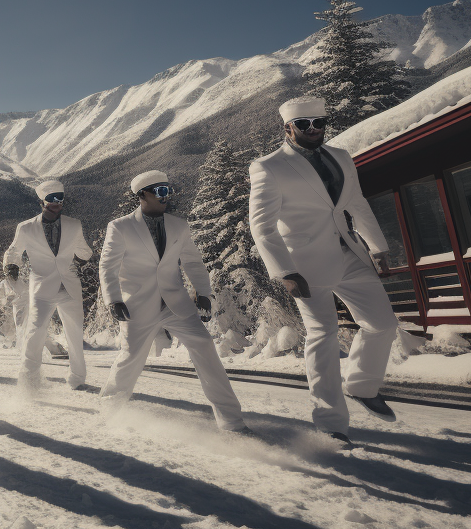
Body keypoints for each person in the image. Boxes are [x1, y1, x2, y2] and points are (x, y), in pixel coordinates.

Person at [249, 97, 398, 447]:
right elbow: (262, 226)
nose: (313, 129)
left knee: (383, 323)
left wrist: (379, 248)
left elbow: (356, 203)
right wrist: (284, 270)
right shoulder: (268, 167)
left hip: (350, 254)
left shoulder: (342, 157)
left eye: (319, 122)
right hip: (305, 265)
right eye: (304, 124)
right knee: (323, 336)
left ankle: (361, 385)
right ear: (288, 128)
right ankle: (331, 422)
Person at [98, 171, 250, 434]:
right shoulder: (120, 227)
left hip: (175, 304)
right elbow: (107, 266)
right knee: (131, 357)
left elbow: (192, 262)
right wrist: (113, 299)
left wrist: (204, 292)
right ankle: (109, 413)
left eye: (168, 190)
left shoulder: (179, 225)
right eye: (160, 191)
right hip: (137, 306)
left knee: (204, 345)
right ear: (142, 194)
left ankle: (232, 423)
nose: (166, 196)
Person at [3, 180, 92, 392]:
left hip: (70, 287)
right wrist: (11, 266)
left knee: (75, 334)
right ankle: (28, 381)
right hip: (42, 289)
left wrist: (76, 262)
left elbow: (85, 251)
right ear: (42, 200)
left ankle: (77, 379)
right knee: (35, 333)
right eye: (52, 199)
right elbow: (13, 251)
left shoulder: (74, 225)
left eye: (60, 198)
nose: (57, 203)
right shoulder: (26, 228)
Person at [0, 263, 28, 349]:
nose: (14, 275)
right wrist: (6, 303)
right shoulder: (2, 285)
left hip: (25, 307)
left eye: (15, 272)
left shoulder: (23, 282)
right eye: (11, 273)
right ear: (7, 274)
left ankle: (22, 343)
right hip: (12, 308)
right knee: (13, 327)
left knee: (24, 325)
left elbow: (28, 293)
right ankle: (13, 343)